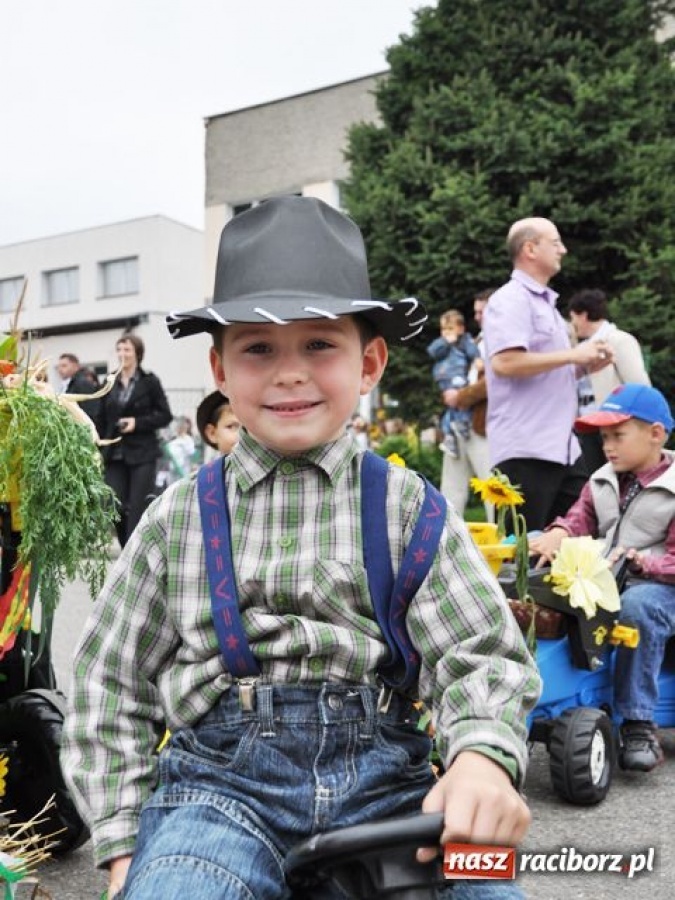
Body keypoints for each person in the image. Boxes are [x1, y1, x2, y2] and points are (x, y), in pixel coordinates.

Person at [62, 196, 539, 900]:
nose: (289, 372)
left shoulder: (409, 509)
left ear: (369, 362)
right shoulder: (175, 520)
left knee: (488, 891)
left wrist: (480, 759)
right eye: (258, 348)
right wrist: (123, 844)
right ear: (220, 369)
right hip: (216, 793)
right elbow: (108, 684)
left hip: (394, 789)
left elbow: (481, 653)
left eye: (319, 344)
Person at [530, 383, 675, 773]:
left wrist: (646, 563)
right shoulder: (603, 479)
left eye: (618, 435)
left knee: (637, 606)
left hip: (661, 591)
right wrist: (559, 532)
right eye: (604, 437)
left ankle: (639, 722)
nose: (608, 446)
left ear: (656, 434)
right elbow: (579, 519)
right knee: (535, 563)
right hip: (612, 578)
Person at [482, 216, 615, 531]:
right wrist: (574, 354)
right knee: (522, 560)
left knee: (571, 548)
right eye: (556, 242)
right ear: (530, 248)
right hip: (526, 448)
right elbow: (505, 363)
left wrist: (584, 366)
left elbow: (546, 371)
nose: (564, 250)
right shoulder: (510, 299)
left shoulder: (547, 306)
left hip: (563, 449)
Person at [96, 332, 173, 547]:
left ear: (138, 353)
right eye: (119, 349)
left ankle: (133, 559)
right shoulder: (109, 381)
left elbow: (165, 415)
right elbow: (100, 417)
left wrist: (137, 423)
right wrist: (98, 444)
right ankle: (128, 550)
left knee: (138, 508)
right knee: (115, 506)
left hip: (143, 453)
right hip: (115, 452)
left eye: (127, 349)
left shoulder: (149, 381)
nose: (122, 354)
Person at [568, 288, 651, 476]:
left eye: (573, 317)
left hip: (615, 421)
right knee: (594, 478)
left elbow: (638, 384)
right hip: (585, 423)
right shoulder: (580, 348)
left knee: (621, 476)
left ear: (583, 315)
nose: (573, 324)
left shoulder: (620, 340)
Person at [440, 290, 494, 520]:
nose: (478, 317)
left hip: (485, 425)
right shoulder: (475, 341)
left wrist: (460, 397)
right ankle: (445, 542)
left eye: (483, 311)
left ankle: (502, 549)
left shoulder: (504, 341)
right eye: (476, 312)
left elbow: (494, 383)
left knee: (493, 489)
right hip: (458, 423)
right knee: (451, 490)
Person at [427, 309, 479, 458]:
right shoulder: (441, 344)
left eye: (450, 328)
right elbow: (432, 351)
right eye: (443, 329)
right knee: (452, 406)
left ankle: (452, 431)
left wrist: (477, 359)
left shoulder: (464, 341)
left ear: (461, 329)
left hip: (458, 379)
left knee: (457, 405)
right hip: (443, 379)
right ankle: (456, 429)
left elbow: (473, 353)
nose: (446, 332)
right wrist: (445, 341)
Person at [56, 352, 101, 421]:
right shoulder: (67, 384)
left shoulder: (82, 383)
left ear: (75, 366)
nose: (60, 369)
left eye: (64, 366)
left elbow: (90, 410)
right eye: (59, 366)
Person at [196, 389, 241, 456]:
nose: (244, 434)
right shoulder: (214, 466)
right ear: (212, 433)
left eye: (251, 427)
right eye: (232, 426)